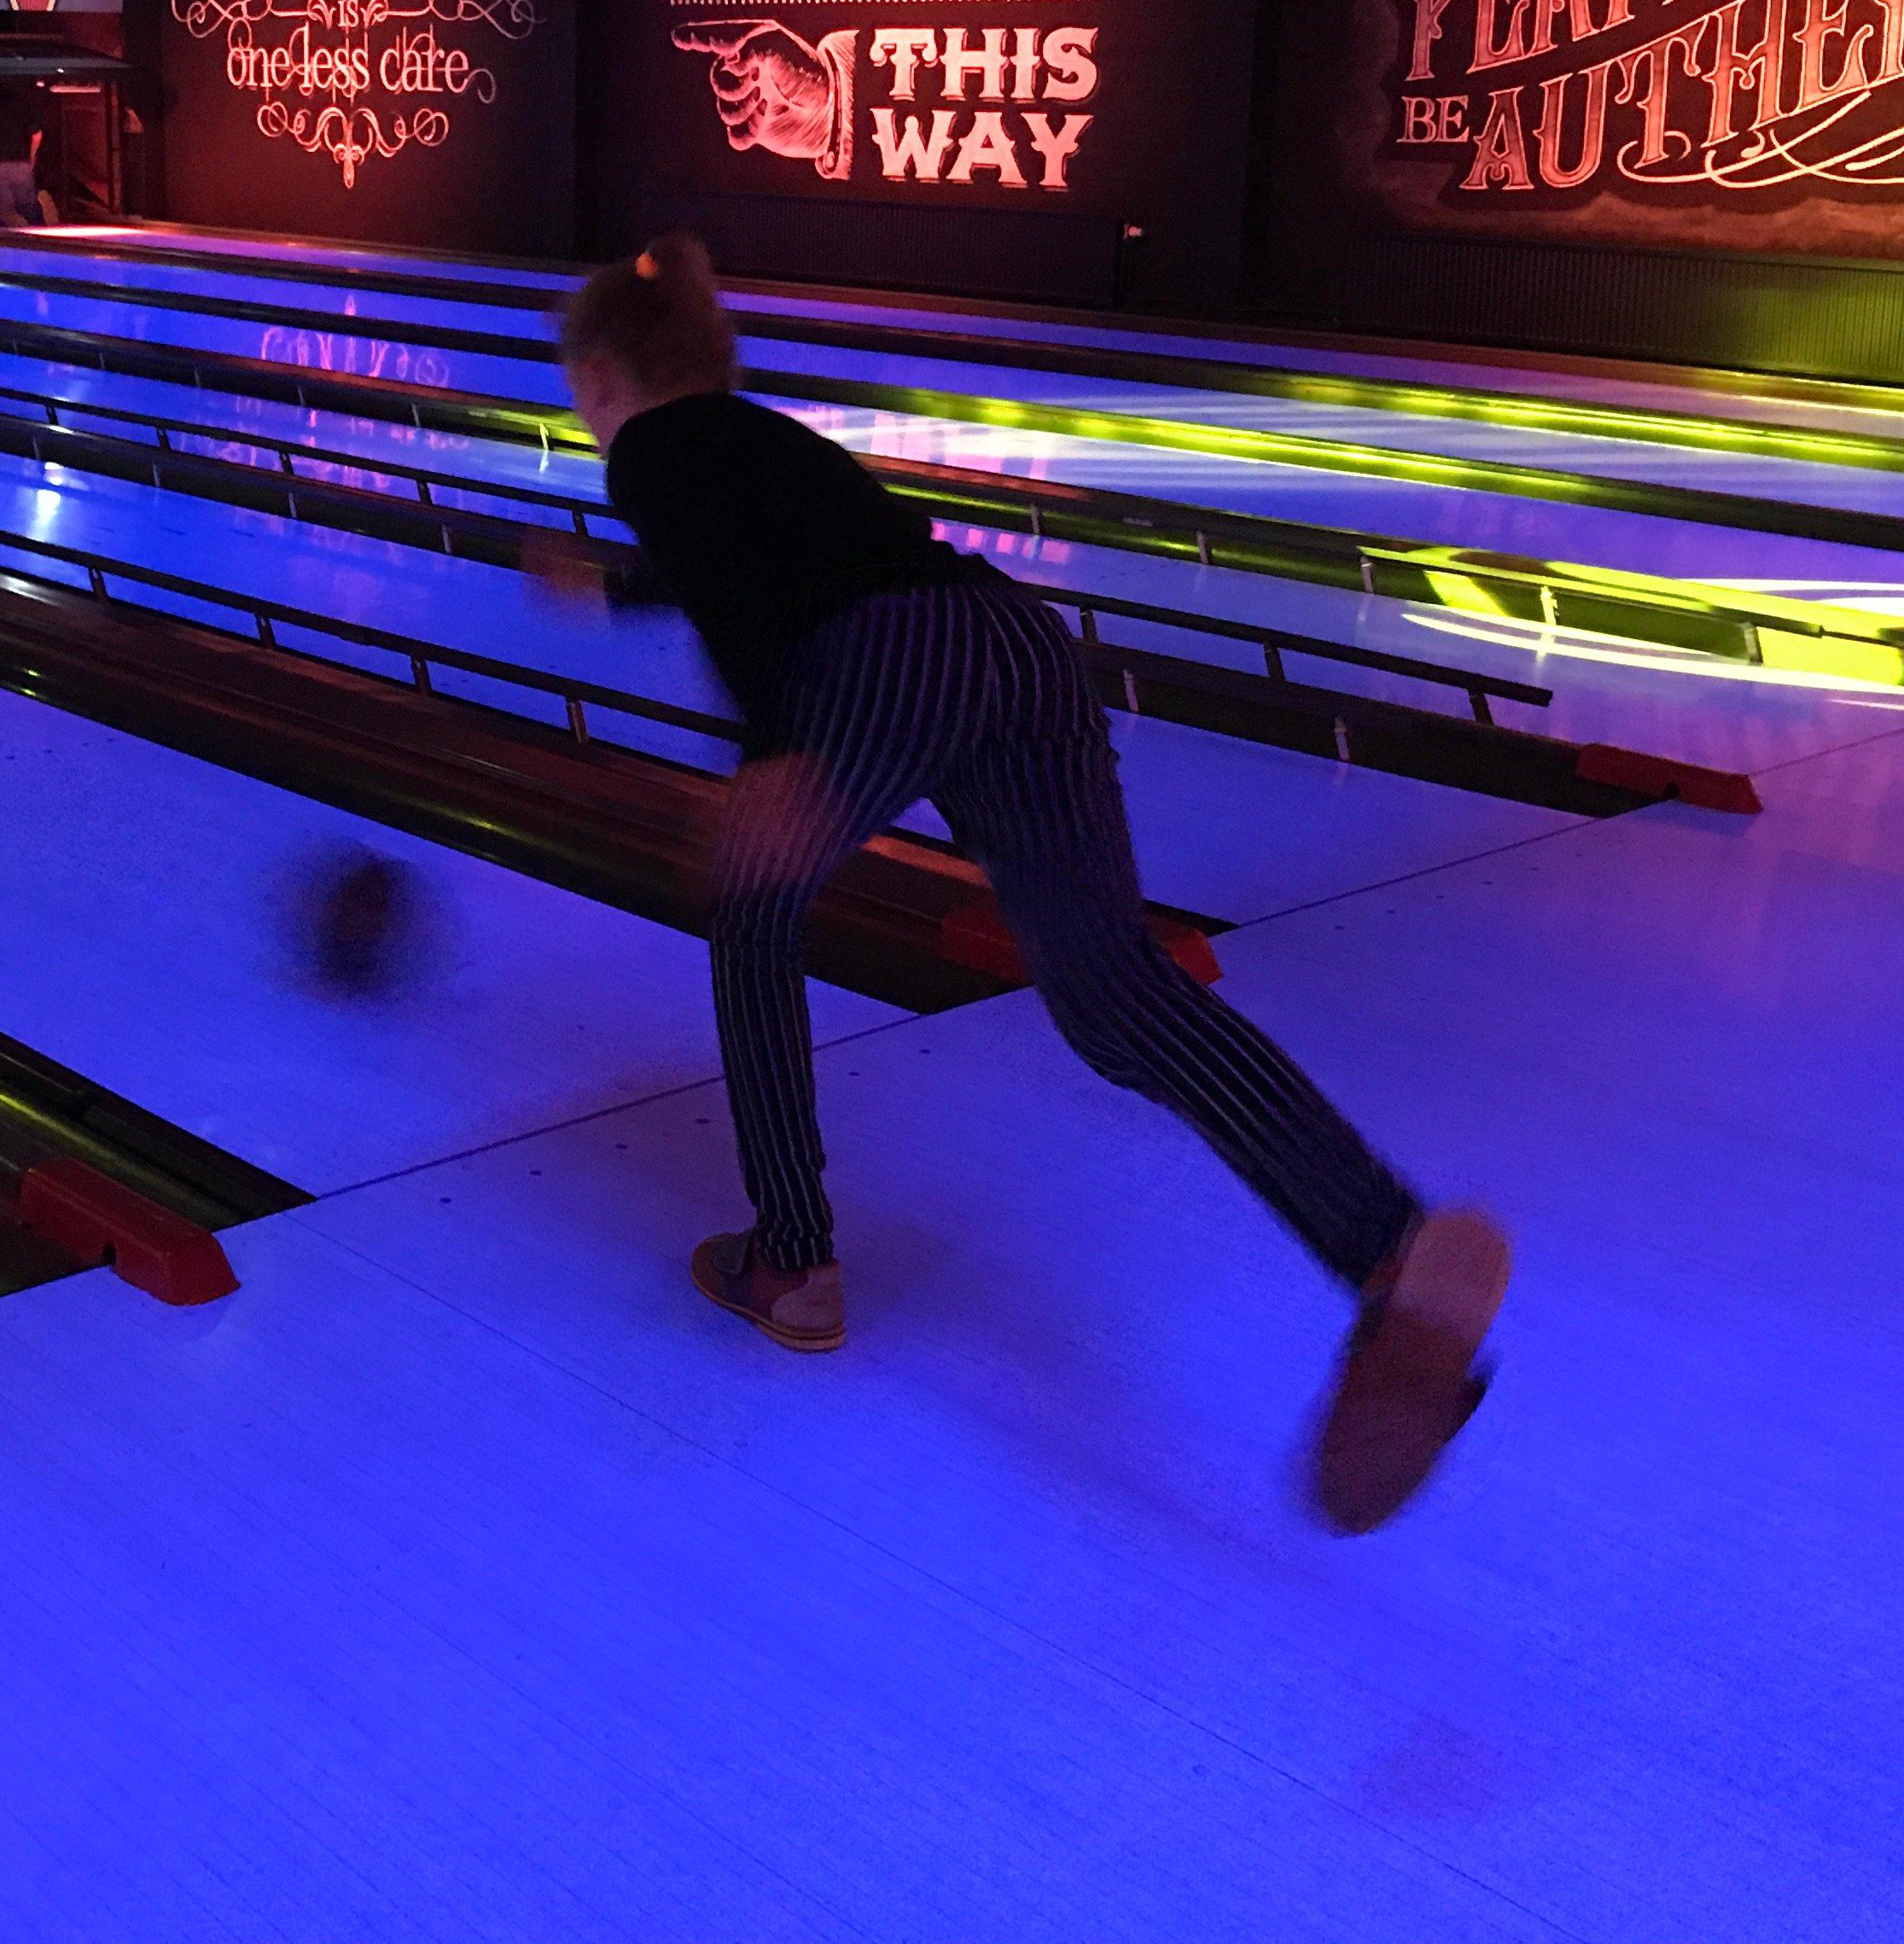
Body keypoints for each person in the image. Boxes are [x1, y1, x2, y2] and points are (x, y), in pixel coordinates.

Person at [533, 236, 1509, 1533]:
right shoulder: (770, 445)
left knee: (754, 914)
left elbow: (728, 574)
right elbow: (777, 551)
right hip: (1018, 651)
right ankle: (1389, 1243)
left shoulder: (656, 447)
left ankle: (793, 1259)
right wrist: (611, 589)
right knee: (1117, 997)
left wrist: (778, 752)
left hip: (880, 665)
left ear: (602, 373)